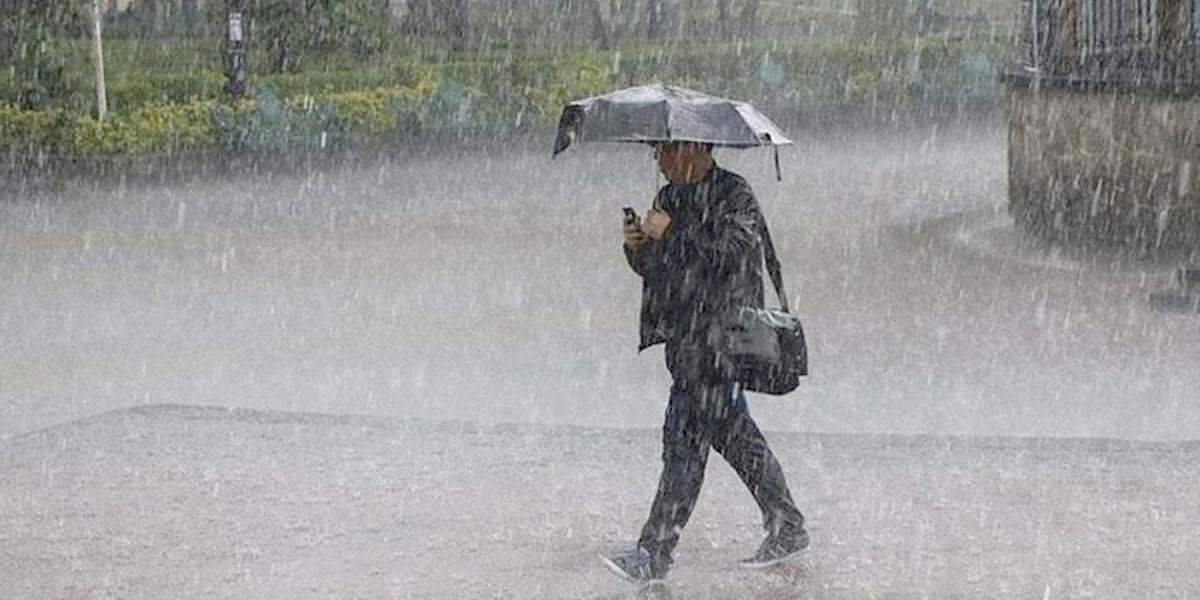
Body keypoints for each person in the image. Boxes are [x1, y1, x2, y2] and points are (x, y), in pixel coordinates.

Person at [600, 141, 808, 583]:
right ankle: (786, 525)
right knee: (734, 440)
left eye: (664, 150)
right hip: (685, 341)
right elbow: (660, 268)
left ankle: (655, 551)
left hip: (720, 343)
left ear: (693, 148)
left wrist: (672, 232)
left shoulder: (735, 194)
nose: (658, 159)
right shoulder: (668, 197)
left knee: (684, 447)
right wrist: (637, 247)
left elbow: (729, 257)